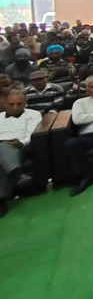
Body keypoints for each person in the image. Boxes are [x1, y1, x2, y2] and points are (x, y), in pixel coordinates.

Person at [0, 90, 40, 218]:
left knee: (2, 150)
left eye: (19, 103)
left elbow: (32, 134)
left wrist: (21, 143)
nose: (15, 107)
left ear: (25, 103)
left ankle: (1, 201)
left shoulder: (33, 115)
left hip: (18, 147)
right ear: (4, 104)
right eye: (11, 104)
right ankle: (18, 175)